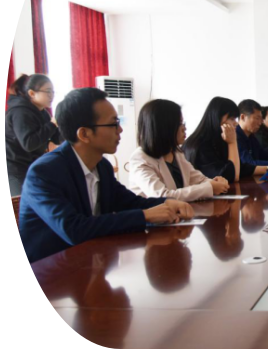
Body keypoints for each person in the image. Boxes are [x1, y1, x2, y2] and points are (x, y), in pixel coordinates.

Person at [19, 88, 194, 263]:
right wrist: (145, 215)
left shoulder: (102, 166)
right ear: (84, 134)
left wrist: (166, 203)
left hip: (92, 262)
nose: (120, 130)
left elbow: (129, 202)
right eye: (113, 124)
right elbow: (74, 229)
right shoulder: (43, 173)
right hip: (50, 271)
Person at [128, 99, 230, 202]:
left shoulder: (176, 153)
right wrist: (210, 187)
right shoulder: (140, 158)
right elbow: (163, 197)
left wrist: (215, 182)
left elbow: (199, 180)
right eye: (180, 123)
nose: (184, 128)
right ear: (163, 127)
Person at [5, 74, 63, 195]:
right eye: (47, 91)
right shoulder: (20, 111)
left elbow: (56, 138)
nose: (51, 95)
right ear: (32, 93)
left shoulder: (42, 112)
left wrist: (67, 126)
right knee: (21, 202)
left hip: (31, 165)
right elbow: (29, 143)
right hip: (14, 168)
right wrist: (52, 124)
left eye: (53, 91)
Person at [183, 97, 244, 183]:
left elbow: (241, 168)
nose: (236, 123)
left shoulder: (219, 140)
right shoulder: (201, 145)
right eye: (232, 118)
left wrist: (265, 169)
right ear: (217, 118)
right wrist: (232, 142)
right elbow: (232, 176)